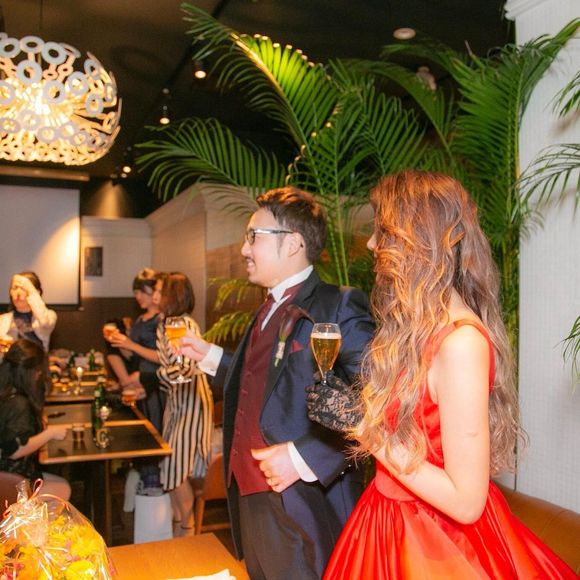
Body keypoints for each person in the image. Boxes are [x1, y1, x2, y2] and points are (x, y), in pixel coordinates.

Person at [306, 170, 576, 578]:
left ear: (422, 239)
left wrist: (362, 425)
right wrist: (350, 408)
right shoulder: (415, 331)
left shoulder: (461, 343)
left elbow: (466, 503)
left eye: (384, 232)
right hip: (385, 521)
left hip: (436, 544)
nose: (372, 244)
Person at [179, 186, 375, 579]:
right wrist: (210, 356)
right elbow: (263, 383)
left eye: (254, 236)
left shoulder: (338, 304)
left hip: (304, 502)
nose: (244, 249)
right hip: (251, 496)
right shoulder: (266, 308)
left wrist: (304, 458)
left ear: (294, 244)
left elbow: (377, 401)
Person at [133, 272, 213, 532]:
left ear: (171, 295)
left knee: (176, 468)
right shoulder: (167, 322)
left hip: (191, 402)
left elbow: (184, 369)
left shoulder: (181, 324)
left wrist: (150, 378)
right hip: (178, 401)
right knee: (170, 467)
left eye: (160, 290)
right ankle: (181, 525)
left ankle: (186, 529)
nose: (155, 294)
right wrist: (149, 385)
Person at [0, 339, 70, 500]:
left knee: (60, 484)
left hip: (9, 475)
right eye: (39, 371)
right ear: (30, 371)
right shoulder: (18, 403)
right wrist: (50, 433)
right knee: (62, 488)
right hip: (11, 481)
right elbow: (14, 451)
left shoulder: (7, 391)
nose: (40, 375)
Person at [104, 268, 165, 433]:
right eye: (136, 293)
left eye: (141, 292)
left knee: (153, 430)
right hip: (137, 378)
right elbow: (133, 355)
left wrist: (131, 345)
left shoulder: (161, 319)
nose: (138, 297)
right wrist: (119, 342)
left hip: (153, 381)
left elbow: (164, 357)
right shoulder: (141, 318)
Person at [0, 272, 57, 352]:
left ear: (36, 293)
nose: (18, 293)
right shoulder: (3, 319)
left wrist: (30, 288)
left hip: (37, 359)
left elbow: (45, 322)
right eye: (15, 288)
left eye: (23, 288)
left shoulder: (49, 315)